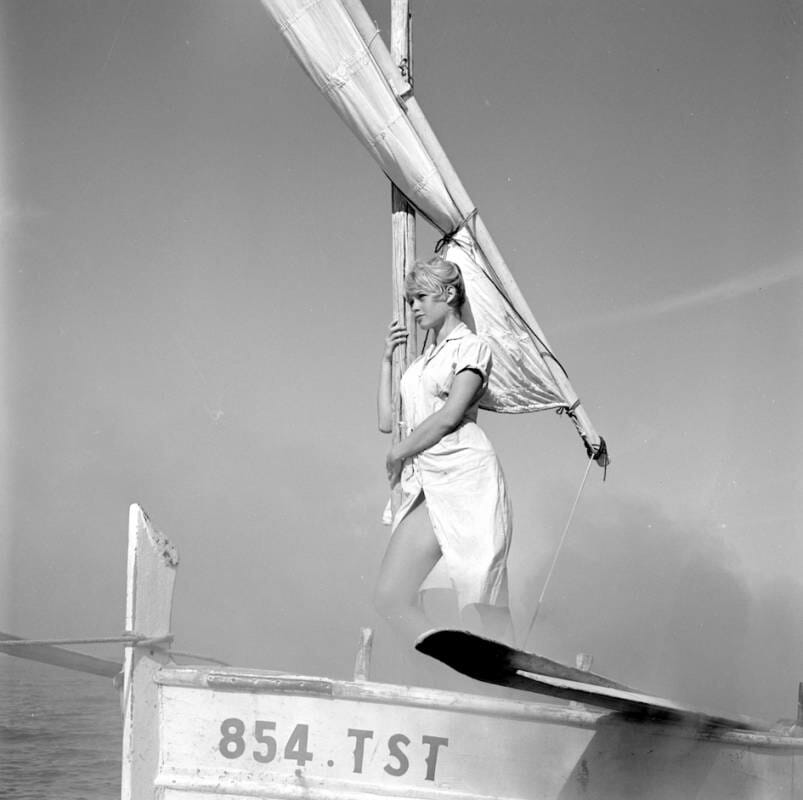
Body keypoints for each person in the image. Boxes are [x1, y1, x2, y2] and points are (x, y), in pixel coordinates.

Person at [374, 255, 514, 647]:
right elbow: (388, 421)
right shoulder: (419, 365)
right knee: (389, 595)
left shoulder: (471, 348)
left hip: (467, 476)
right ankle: (445, 667)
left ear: (449, 293)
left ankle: (516, 678)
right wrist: (387, 362)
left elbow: (450, 416)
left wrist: (397, 453)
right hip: (428, 482)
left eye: (420, 297)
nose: (413, 307)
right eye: (410, 298)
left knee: (479, 596)